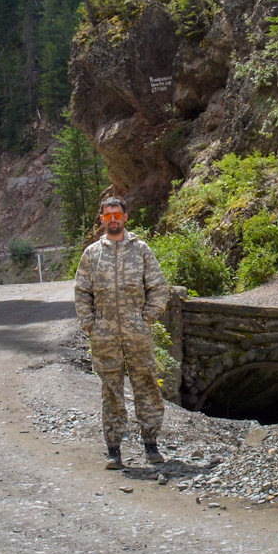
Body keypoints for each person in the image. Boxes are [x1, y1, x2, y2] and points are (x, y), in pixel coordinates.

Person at [72, 194, 171, 469]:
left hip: (137, 332)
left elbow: (158, 288)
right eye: (108, 216)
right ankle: (113, 449)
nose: (113, 220)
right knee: (111, 390)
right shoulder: (92, 254)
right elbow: (82, 292)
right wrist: (90, 324)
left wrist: (147, 318)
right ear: (102, 218)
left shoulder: (141, 250)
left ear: (125, 217)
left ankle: (151, 445)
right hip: (104, 336)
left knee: (146, 385)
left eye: (117, 215)